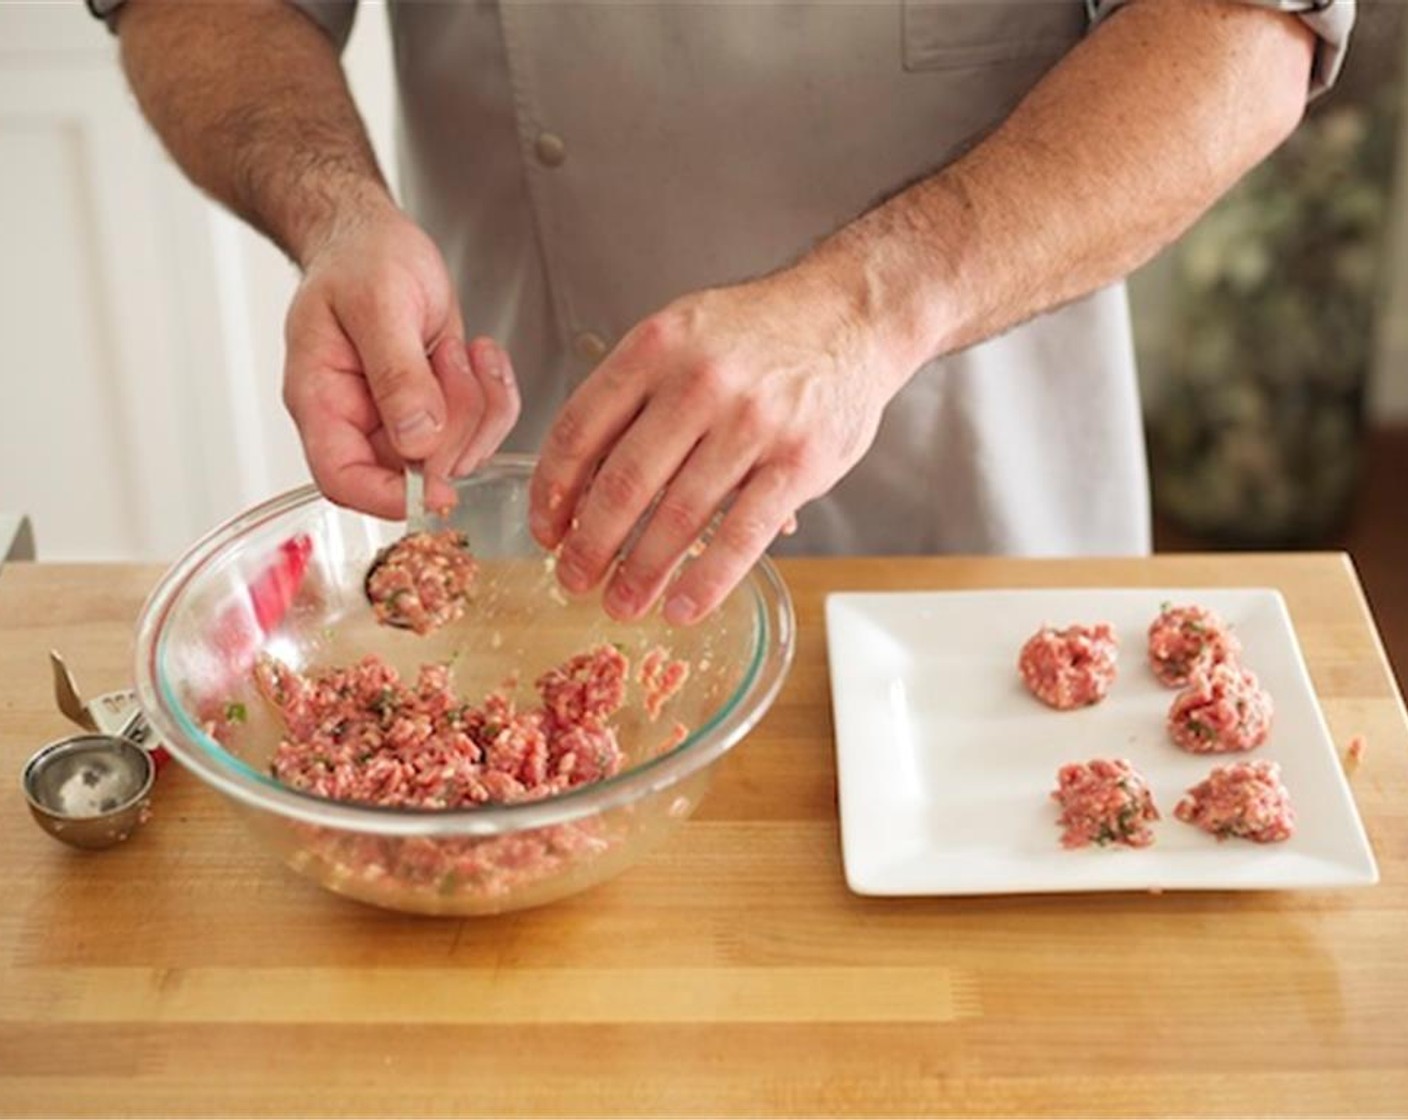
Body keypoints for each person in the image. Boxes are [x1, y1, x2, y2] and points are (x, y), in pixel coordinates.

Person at [94, 0, 1352, 625]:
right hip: (525, 474)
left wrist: (870, 308)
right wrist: (334, 212)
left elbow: (1246, 29)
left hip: (970, 503)